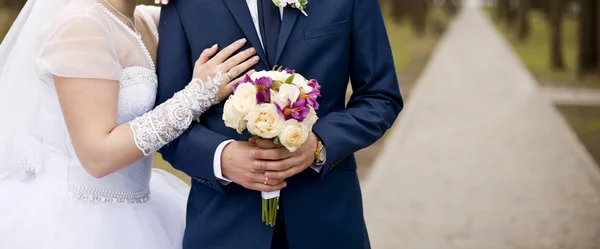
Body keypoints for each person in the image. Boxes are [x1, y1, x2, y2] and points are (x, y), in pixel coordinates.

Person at [0, 0, 258, 248]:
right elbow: (97, 156)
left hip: (142, 206)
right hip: (78, 218)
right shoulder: (81, 23)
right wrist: (198, 95)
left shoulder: (147, 20)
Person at [157, 0, 404, 248]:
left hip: (327, 222)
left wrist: (320, 144)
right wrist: (221, 158)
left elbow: (381, 97)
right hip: (225, 227)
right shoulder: (183, 4)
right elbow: (164, 121)